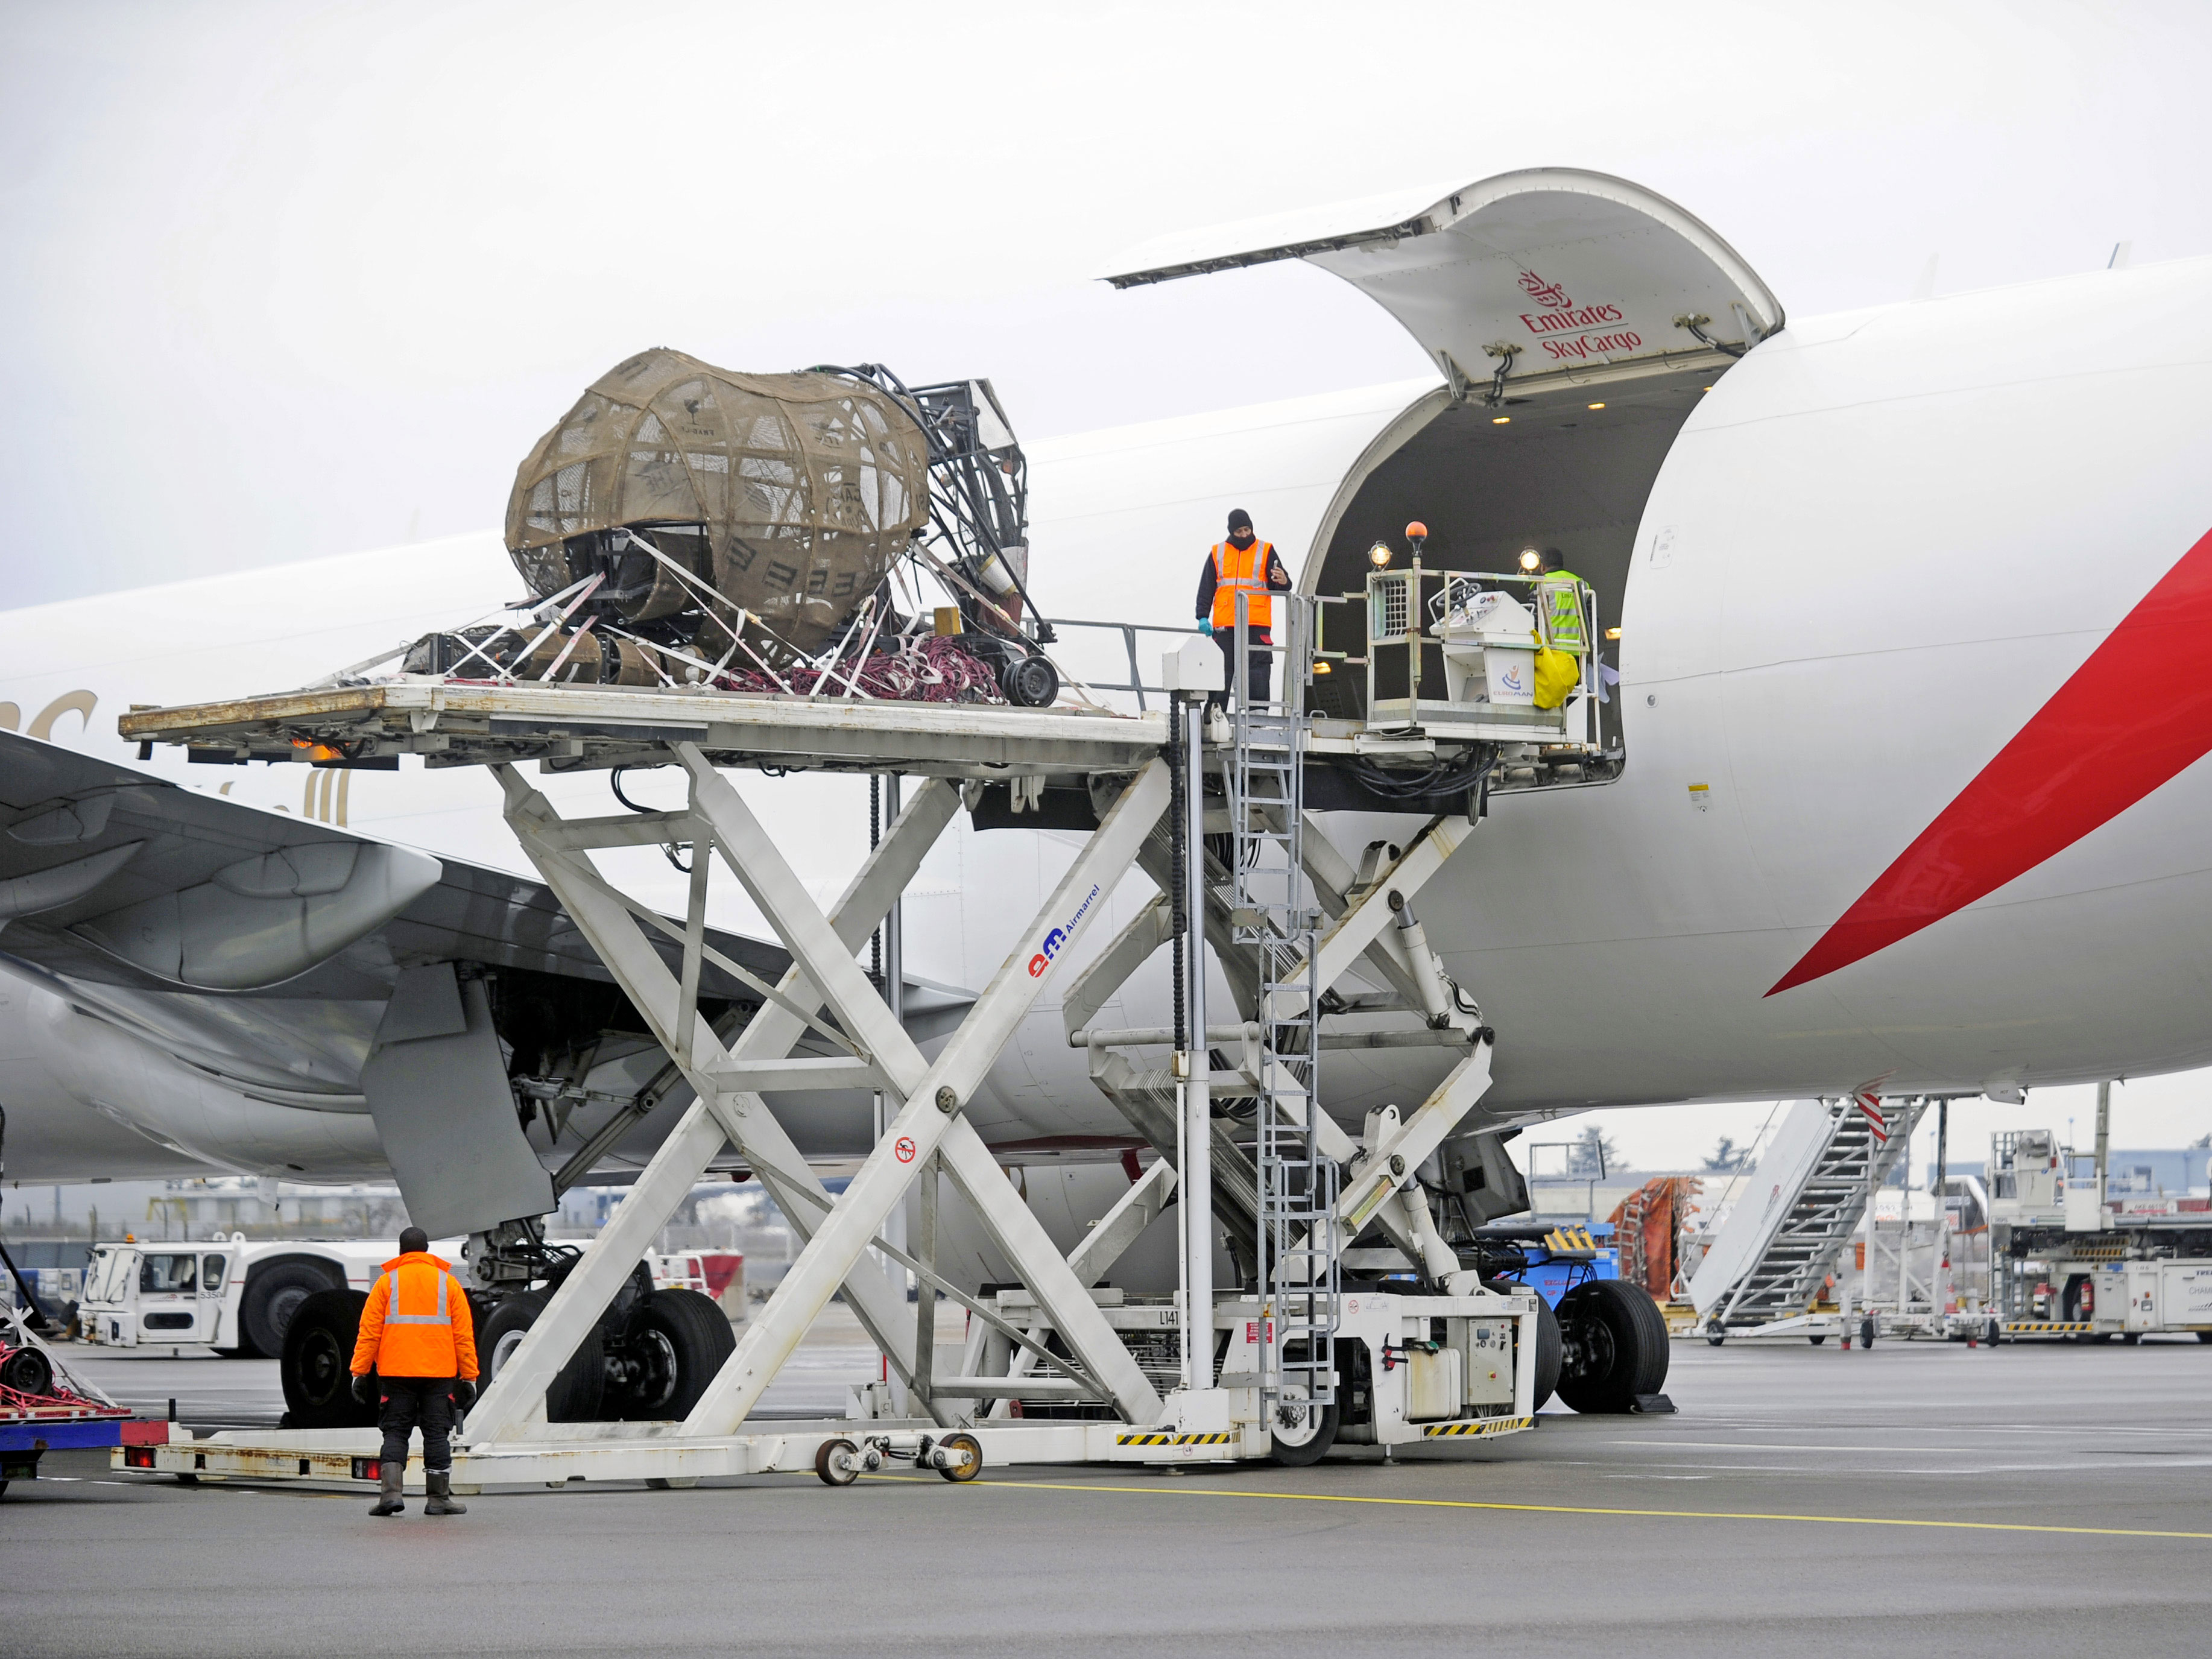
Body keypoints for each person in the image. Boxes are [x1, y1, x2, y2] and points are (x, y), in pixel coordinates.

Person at [350, 1225, 478, 1517]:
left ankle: (391, 1495)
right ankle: (438, 1499)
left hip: (396, 1373)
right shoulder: (448, 1284)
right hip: (438, 1374)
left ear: (401, 1250)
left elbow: (369, 1332)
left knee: (395, 1432)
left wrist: (359, 1372)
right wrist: (469, 1377)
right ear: (427, 1251)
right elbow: (463, 1335)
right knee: (436, 1434)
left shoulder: (387, 1283)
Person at [1193, 508, 1293, 712]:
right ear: (1232, 532)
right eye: (1239, 531)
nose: (1244, 535)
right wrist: (1202, 616)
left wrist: (1284, 581)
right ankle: (1213, 716)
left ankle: (1257, 717)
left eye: (1247, 529)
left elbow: (1281, 584)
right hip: (1225, 625)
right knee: (1221, 671)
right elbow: (1206, 587)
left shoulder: (1266, 550)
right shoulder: (1217, 552)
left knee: (1257, 672)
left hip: (1257, 623)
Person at [1532, 548, 1588, 656]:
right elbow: (1590, 620)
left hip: (1551, 651)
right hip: (1579, 651)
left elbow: (1533, 621)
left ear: (1542, 566)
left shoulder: (1541, 584)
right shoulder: (1582, 584)